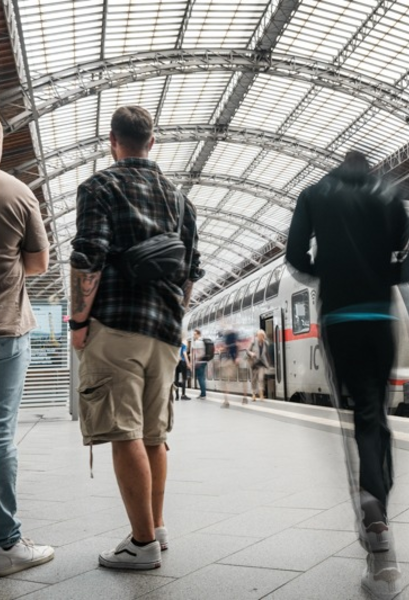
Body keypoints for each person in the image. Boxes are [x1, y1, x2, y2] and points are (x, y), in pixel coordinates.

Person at [286, 150, 409, 599]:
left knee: (357, 411)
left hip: (339, 318)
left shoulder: (314, 193)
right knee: (374, 412)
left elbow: (294, 254)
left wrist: (326, 272)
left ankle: (372, 516)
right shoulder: (389, 195)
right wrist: (386, 274)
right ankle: (378, 507)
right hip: (380, 317)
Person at [70, 106, 202, 570]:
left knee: (124, 431)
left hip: (116, 325)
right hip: (166, 331)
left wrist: (78, 322)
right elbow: (191, 271)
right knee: (154, 434)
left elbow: (88, 255)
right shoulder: (180, 200)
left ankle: (141, 544)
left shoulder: (99, 186)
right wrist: (175, 315)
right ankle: (157, 528)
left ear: (113, 140)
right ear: (152, 141)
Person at [0, 126, 55, 576]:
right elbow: (39, 263)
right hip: (5, 329)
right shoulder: (16, 192)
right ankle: (8, 544)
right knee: (0, 433)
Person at [220, 328, 246, 408]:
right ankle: (244, 397)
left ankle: (226, 401)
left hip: (229, 362)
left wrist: (222, 350)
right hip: (236, 361)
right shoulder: (236, 342)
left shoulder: (228, 342)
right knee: (243, 379)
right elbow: (237, 348)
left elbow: (226, 349)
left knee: (224, 381)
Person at [246, 330, 270, 402]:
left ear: (263, 336)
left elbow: (266, 353)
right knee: (254, 380)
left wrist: (268, 363)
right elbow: (247, 351)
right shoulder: (253, 343)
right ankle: (253, 394)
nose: (260, 337)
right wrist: (251, 354)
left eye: (262, 336)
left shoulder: (265, 343)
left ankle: (261, 394)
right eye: (259, 336)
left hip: (261, 364)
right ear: (257, 336)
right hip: (254, 363)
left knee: (261, 378)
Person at [190, 328, 208, 399]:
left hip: (199, 362)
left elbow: (195, 353)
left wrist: (195, 361)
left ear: (198, 334)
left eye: (195, 334)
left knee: (200, 378)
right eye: (194, 334)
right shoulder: (203, 341)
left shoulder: (197, 342)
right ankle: (203, 393)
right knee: (202, 377)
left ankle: (203, 394)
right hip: (204, 362)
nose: (194, 336)